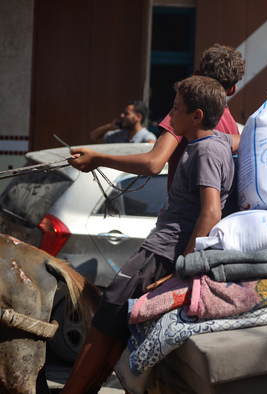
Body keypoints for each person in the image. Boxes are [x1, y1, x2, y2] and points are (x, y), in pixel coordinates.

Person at [61, 75, 235, 393]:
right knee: (119, 325)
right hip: (165, 248)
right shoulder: (218, 143)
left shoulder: (205, 151)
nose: (169, 117)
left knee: (109, 310)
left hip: (163, 250)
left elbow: (211, 212)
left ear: (196, 116)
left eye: (176, 109)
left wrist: (182, 268)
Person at [70, 44, 245, 192]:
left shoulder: (186, 113)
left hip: (182, 224)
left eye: (176, 107)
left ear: (196, 75)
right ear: (232, 90)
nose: (174, 112)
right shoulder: (233, 126)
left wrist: (98, 159)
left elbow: (153, 163)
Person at [89, 100, 157, 144]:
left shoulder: (147, 137)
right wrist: (110, 126)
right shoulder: (119, 135)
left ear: (138, 117)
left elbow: (150, 147)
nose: (122, 115)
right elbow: (94, 137)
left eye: (126, 114)